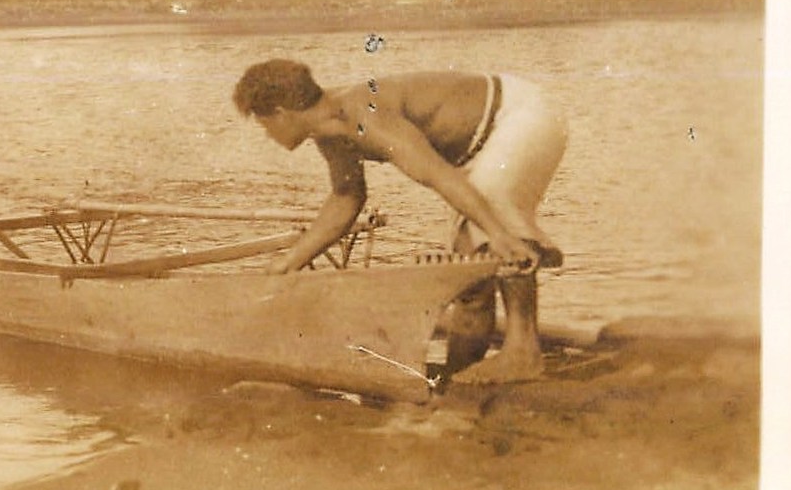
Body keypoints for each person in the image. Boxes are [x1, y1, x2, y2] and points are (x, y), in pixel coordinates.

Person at [232, 59, 568, 384]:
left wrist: (499, 232)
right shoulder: (330, 131)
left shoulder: (363, 112)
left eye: (264, 125)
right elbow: (346, 199)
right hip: (481, 147)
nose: (267, 135)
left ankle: (523, 350)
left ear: (281, 113)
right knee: (470, 265)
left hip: (521, 116)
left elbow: (434, 173)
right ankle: (459, 373)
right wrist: (288, 264)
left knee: (494, 218)